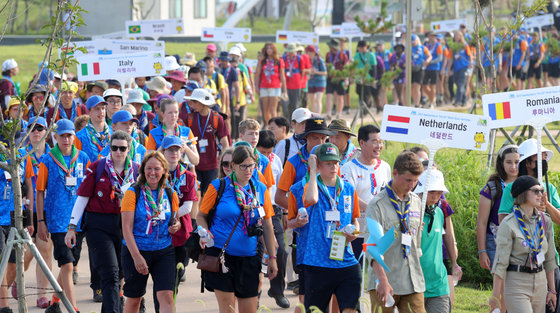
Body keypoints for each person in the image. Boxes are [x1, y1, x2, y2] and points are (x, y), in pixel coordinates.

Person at [196, 145, 278, 313]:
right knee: (228, 310)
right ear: (233, 165)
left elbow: (268, 225)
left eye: (251, 165)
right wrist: (204, 233)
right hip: (221, 256)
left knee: (249, 310)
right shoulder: (219, 186)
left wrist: (273, 258)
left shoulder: (260, 189)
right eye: (243, 166)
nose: (248, 170)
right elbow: (201, 215)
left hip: (249, 257)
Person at [65, 130, 140, 313]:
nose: (118, 152)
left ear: (128, 149)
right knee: (110, 273)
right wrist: (71, 228)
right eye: (114, 148)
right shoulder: (97, 167)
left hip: (125, 226)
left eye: (122, 148)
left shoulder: (137, 171)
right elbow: (82, 198)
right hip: (99, 225)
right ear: (109, 148)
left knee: (121, 273)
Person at [287, 143, 361, 312]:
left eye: (335, 162)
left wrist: (354, 233)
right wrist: (313, 172)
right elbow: (311, 200)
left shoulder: (348, 189)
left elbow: (355, 219)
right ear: (317, 164)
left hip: (345, 260)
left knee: (351, 309)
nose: (333, 167)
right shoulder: (306, 187)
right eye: (328, 163)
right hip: (317, 262)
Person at [36, 119, 91, 313]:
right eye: (62, 136)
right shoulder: (47, 160)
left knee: (70, 263)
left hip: (78, 221)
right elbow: (40, 191)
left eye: (69, 135)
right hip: (57, 221)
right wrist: (41, 221)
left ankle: (54, 302)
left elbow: (88, 188)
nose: (66, 139)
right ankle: (73, 308)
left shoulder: (83, 158)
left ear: (74, 136)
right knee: (67, 265)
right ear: (55, 137)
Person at [120, 151, 180, 313]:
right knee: (134, 299)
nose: (152, 173)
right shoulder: (133, 193)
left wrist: (176, 225)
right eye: (149, 168)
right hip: (137, 250)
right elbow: (126, 228)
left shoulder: (170, 193)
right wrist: (137, 257)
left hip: (163, 250)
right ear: (142, 170)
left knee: (167, 295)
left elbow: (175, 220)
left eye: (157, 169)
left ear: (164, 171)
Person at [366, 150, 425, 313]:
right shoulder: (377, 205)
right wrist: (382, 280)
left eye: (415, 181)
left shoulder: (416, 202)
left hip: (411, 280)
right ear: (395, 173)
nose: (411, 185)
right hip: (385, 280)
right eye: (408, 180)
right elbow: (372, 247)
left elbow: (416, 243)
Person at [490, 175, 557, 313]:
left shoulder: (545, 221)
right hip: (516, 283)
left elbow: (550, 258)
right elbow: (500, 263)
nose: (541, 195)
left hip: (540, 282)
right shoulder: (508, 224)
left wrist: (552, 290)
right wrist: (496, 296)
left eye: (541, 190)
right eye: (536, 191)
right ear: (523, 193)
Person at [156, 136, 198, 312]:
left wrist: (169, 216)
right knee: (164, 276)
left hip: (181, 233)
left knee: (177, 273)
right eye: (170, 150)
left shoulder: (188, 176)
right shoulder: (155, 173)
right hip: (159, 232)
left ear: (181, 152)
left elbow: (188, 206)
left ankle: (169, 303)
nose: (174, 153)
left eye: (177, 150)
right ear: (162, 152)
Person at [341, 124, 391, 258]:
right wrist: (371, 209)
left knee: (377, 274)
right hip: (357, 232)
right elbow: (349, 197)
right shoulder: (348, 168)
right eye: (374, 142)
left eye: (380, 142)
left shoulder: (385, 167)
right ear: (362, 143)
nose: (379, 146)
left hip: (379, 232)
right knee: (358, 272)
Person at [20, 117, 53, 309]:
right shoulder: (21, 155)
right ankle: (16, 279)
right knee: (23, 255)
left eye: (40, 128)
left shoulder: (53, 155)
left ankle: (42, 295)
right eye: (32, 128)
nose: (36, 132)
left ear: (47, 132)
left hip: (47, 208)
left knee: (45, 250)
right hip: (25, 210)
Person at [256, 130, 289, 308]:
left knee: (280, 250)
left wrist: (284, 212)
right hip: (255, 209)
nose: (267, 156)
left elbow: (280, 187)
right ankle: (256, 292)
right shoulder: (251, 162)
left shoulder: (275, 160)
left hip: (273, 210)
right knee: (259, 251)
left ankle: (277, 290)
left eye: (269, 151)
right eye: (263, 152)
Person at [414, 169, 452, 313]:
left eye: (439, 192)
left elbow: (447, 238)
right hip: (414, 283)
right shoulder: (410, 212)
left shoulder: (440, 212)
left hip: (438, 283)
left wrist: (454, 263)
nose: (435, 196)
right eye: (431, 192)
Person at [478, 145, 519, 269]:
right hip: (496, 243)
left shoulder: (527, 184)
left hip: (521, 242)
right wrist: (482, 252)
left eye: (517, 162)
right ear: (501, 163)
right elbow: (482, 222)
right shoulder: (492, 188)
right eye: (508, 162)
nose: (513, 167)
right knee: (500, 284)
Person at [184, 88, 230, 194]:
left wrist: (225, 161)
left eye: (195, 102)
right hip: (194, 165)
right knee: (196, 193)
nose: (192, 104)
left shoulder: (217, 118)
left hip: (213, 165)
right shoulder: (189, 118)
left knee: (209, 194)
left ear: (203, 103)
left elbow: (225, 142)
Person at [145, 98, 199, 167]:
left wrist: (185, 148)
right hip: (162, 172)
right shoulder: (153, 133)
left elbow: (196, 161)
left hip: (181, 173)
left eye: (176, 112)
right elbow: (149, 160)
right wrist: (163, 147)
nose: (173, 115)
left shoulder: (187, 131)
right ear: (162, 113)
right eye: (170, 113)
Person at [255, 42, 287, 125]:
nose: (269, 50)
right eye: (267, 48)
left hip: (275, 87)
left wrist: (285, 91)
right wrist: (256, 86)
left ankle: (275, 128)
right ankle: (269, 126)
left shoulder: (279, 61)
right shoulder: (262, 61)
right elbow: (258, 74)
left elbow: (282, 76)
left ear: (274, 50)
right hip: (264, 87)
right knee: (265, 111)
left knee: (273, 110)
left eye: (271, 48)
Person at [74, 95, 112, 164]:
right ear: (89, 112)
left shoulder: (113, 132)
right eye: (97, 109)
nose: (101, 112)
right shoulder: (80, 136)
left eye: (103, 108)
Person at [325, 38, 349, 120]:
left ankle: (339, 113)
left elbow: (347, 67)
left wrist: (346, 79)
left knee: (340, 97)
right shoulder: (328, 55)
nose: (329, 47)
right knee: (328, 95)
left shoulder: (343, 55)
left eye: (330, 46)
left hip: (340, 78)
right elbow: (327, 65)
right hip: (330, 78)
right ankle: (328, 113)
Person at [283, 43, 308, 119]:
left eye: (292, 51)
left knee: (295, 104)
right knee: (286, 104)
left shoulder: (299, 58)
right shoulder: (284, 58)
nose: (290, 53)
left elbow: (302, 71)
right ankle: (288, 120)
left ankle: (294, 121)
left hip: (296, 84)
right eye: (289, 51)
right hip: (286, 84)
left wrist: (300, 80)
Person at [451, 31, 473, 107]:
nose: (457, 37)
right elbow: (451, 58)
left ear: (461, 37)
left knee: (461, 84)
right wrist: (449, 68)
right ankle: (464, 100)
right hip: (456, 68)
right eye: (455, 35)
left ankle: (457, 101)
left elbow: (470, 55)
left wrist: (471, 63)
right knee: (459, 84)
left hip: (464, 67)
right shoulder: (453, 46)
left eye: (458, 35)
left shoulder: (465, 45)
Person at [410, 34, 432, 107]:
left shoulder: (423, 48)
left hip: (420, 69)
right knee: (411, 87)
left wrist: (427, 61)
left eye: (414, 41)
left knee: (417, 86)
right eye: (411, 41)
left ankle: (417, 104)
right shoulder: (408, 48)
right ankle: (415, 101)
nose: (413, 42)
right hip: (411, 69)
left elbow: (429, 56)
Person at [423, 32, 443, 109]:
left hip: (434, 68)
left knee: (432, 86)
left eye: (433, 36)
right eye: (430, 36)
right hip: (426, 68)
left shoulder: (438, 46)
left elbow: (439, 58)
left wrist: (430, 62)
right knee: (424, 85)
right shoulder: (426, 45)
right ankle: (432, 97)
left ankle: (431, 103)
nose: (431, 38)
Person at [354, 40, 377, 109]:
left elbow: (374, 68)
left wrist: (373, 79)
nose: (360, 49)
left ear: (366, 47)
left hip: (368, 78)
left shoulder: (371, 55)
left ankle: (365, 108)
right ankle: (362, 106)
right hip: (359, 78)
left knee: (366, 94)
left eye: (362, 47)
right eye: (359, 48)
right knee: (359, 93)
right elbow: (354, 66)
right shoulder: (357, 55)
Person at [305, 45, 327, 114]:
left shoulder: (319, 60)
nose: (307, 54)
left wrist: (315, 72)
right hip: (311, 81)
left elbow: (325, 72)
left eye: (308, 52)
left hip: (320, 81)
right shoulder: (307, 60)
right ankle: (314, 116)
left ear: (313, 52)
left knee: (318, 99)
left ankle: (318, 116)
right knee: (312, 100)